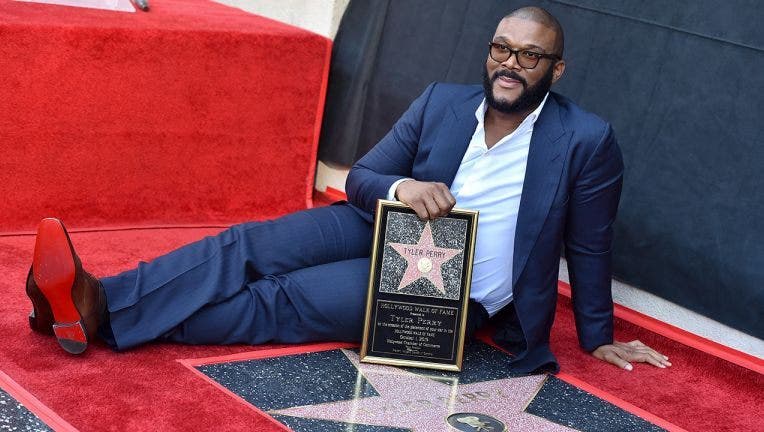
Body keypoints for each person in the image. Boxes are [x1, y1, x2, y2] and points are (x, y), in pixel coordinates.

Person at [25, 6, 669, 374]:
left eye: (529, 56)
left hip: (448, 288)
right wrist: (405, 185)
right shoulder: (443, 103)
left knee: (281, 299)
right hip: (385, 225)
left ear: (555, 69)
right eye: (502, 48)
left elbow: (590, 245)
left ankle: (90, 312)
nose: (510, 63)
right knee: (250, 244)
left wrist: (597, 334)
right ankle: (93, 298)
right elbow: (362, 178)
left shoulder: (585, 138)